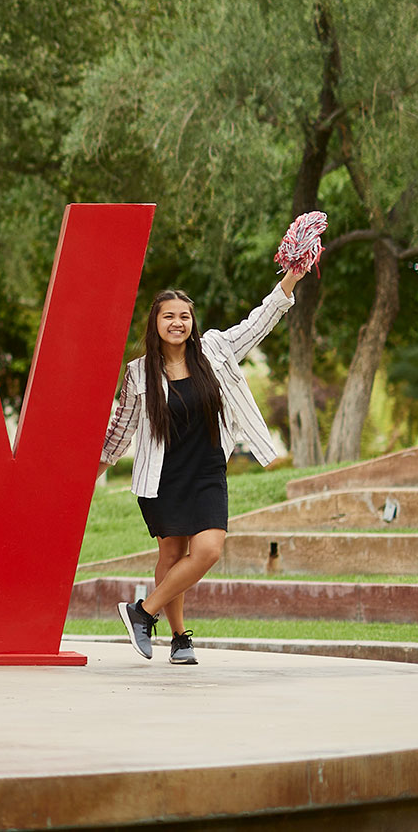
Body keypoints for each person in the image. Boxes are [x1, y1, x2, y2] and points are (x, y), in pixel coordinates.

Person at [101, 264, 307, 663]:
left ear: (192, 322)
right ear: (155, 323)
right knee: (171, 556)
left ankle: (142, 612)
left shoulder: (216, 349)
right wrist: (86, 478)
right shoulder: (138, 373)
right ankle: (179, 639)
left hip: (207, 470)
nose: (177, 323)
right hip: (163, 476)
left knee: (209, 549)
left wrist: (291, 277)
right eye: (168, 316)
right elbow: (118, 433)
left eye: (184, 316)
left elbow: (260, 320)